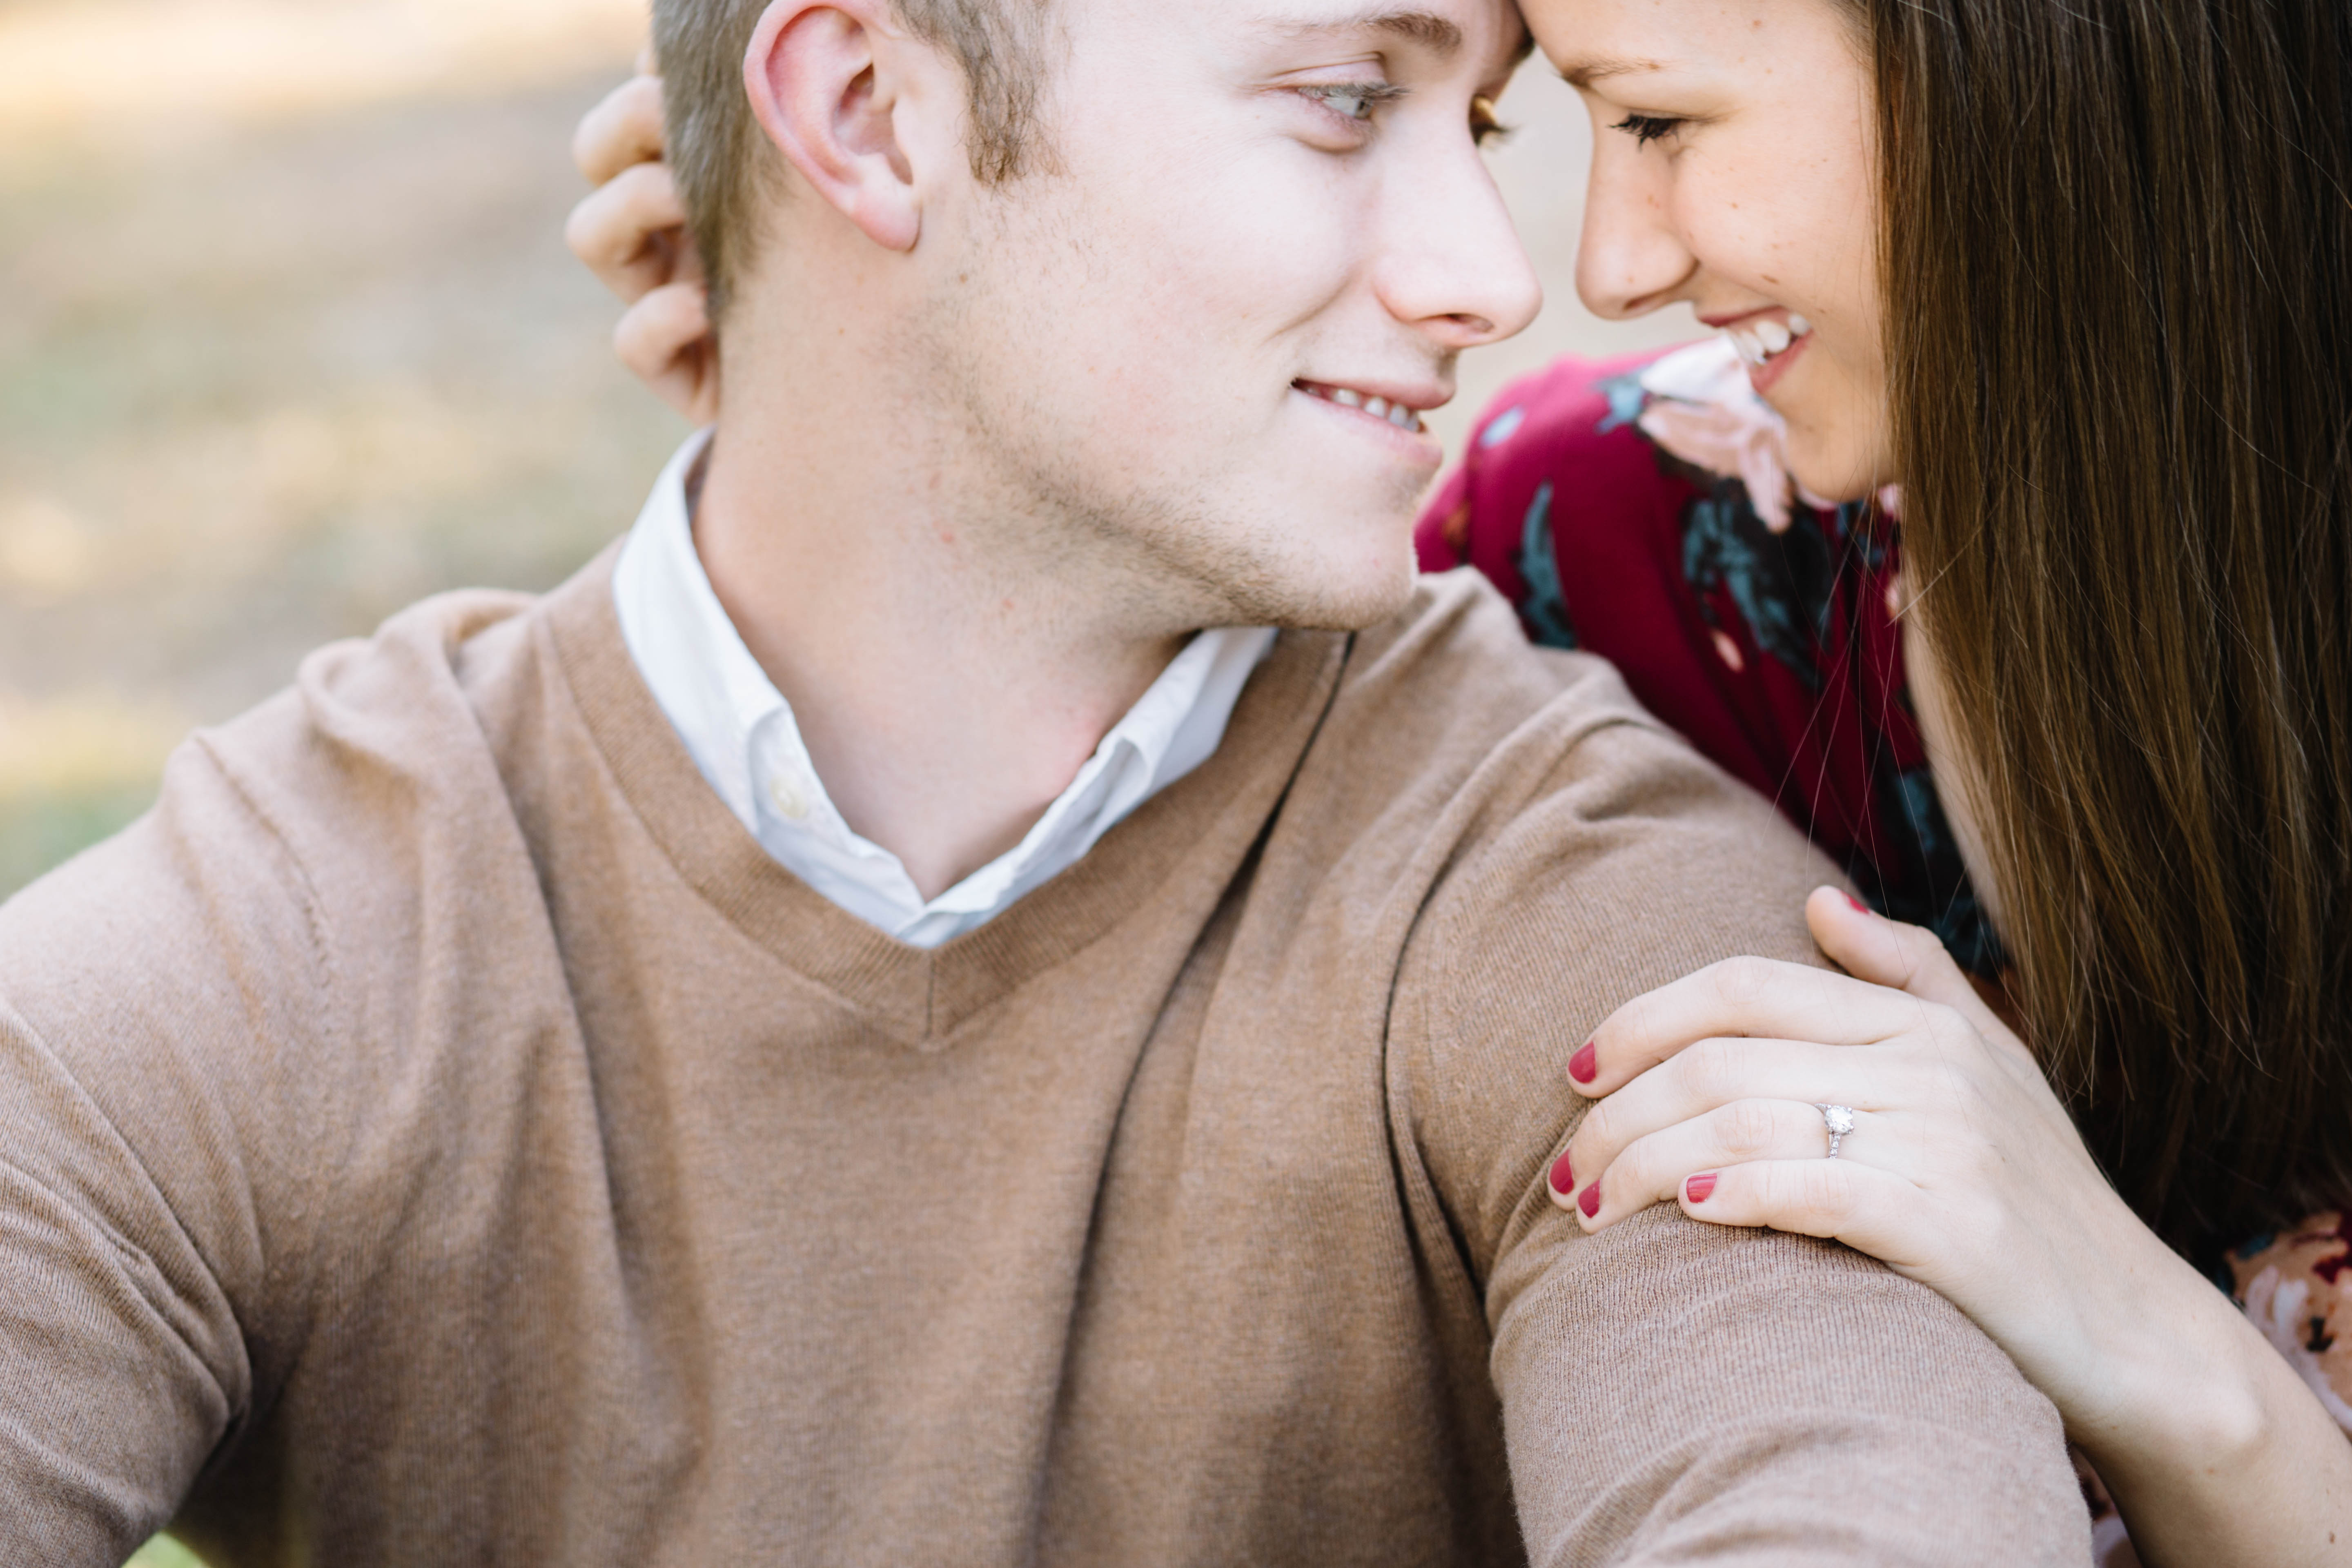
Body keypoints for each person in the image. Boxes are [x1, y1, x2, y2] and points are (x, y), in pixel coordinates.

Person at [0, 0, 2089, 1562]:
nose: (1498, 273)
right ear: (868, 114)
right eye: (1350, 97)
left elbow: (1835, 1482)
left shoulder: (1583, 895)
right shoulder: (296, 939)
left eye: (1479, 122)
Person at [563, 0, 2352, 1560]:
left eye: (1659, 120)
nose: (1608, 270)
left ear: (2036, 74)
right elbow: (1123, 580)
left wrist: (2164, 1361)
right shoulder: (1615, 543)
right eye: (1573, 127)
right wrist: (895, 343)